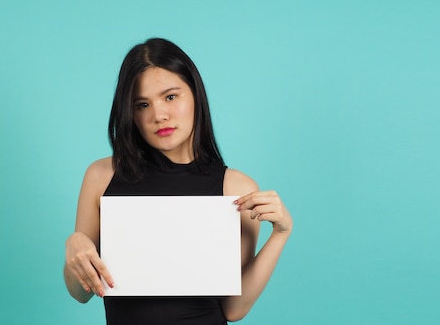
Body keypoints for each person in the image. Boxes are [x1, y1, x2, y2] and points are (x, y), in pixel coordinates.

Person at [63, 38, 293, 324]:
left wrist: (280, 234)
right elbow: (80, 293)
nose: (159, 115)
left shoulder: (236, 188)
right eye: (142, 104)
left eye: (171, 97)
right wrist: (75, 244)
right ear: (130, 114)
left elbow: (234, 309)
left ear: (195, 94)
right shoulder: (102, 177)